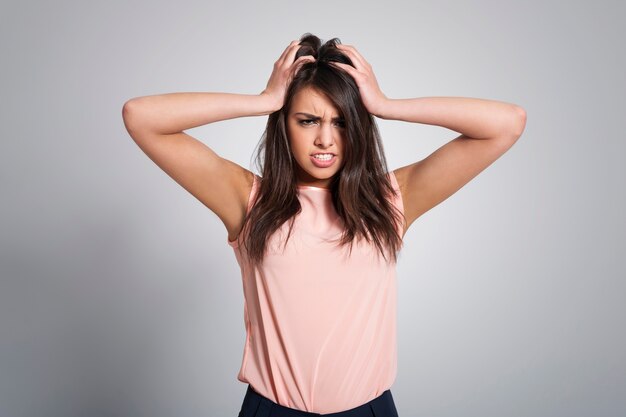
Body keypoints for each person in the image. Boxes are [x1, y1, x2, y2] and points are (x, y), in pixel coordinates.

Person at [122, 33, 526, 417]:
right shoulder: (248, 201)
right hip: (272, 409)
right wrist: (264, 99)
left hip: (368, 408)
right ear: (284, 124)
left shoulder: (391, 199)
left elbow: (507, 123)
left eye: (342, 122)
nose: (326, 140)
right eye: (308, 121)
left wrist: (386, 106)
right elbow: (141, 117)